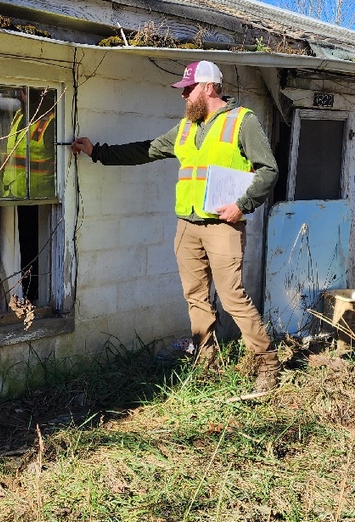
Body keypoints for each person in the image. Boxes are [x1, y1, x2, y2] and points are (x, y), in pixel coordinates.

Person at [71, 60, 281, 394]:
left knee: (232, 298)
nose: (183, 95)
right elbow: (146, 150)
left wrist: (241, 205)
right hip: (187, 226)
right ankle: (207, 362)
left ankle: (267, 364)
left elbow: (269, 170)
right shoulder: (185, 127)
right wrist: (97, 151)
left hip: (223, 226)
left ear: (209, 87)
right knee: (195, 297)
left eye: (188, 89)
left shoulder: (243, 122)